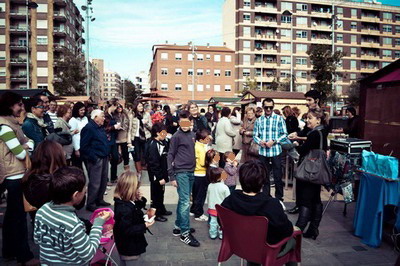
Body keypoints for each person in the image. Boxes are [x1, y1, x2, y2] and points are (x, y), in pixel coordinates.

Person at [221, 160, 298, 266]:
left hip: (240, 245)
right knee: (294, 239)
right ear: (262, 181)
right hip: (266, 250)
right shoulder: (272, 205)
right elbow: (285, 230)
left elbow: (222, 223)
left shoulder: (230, 200)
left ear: (241, 178)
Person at [34, 166, 111, 265]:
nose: (86, 191)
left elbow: (37, 239)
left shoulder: (42, 210)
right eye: (84, 189)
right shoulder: (73, 224)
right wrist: (98, 224)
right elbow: (88, 253)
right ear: (75, 195)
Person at [0, 92, 38, 265]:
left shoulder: (10, 124)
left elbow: (27, 142)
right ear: (9, 106)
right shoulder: (6, 127)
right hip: (14, 175)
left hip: (15, 174)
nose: (22, 108)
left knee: (12, 216)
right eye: (19, 105)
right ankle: (25, 256)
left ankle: (8, 251)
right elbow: (22, 152)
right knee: (19, 218)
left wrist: (26, 144)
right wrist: (27, 145)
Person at [292, 108, 328, 240]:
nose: (307, 120)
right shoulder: (322, 132)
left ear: (318, 120)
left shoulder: (313, 134)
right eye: (307, 118)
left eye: (310, 118)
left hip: (309, 171)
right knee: (316, 199)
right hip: (317, 171)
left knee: (305, 200)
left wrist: (295, 144)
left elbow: (303, 150)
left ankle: (299, 228)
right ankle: (313, 228)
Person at [167, 110, 200, 247]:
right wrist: (171, 176)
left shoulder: (193, 135)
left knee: (183, 200)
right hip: (181, 172)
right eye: (182, 122)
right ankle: (185, 232)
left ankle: (178, 225)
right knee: (186, 201)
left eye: (187, 121)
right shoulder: (176, 136)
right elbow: (170, 155)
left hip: (191, 171)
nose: (185, 124)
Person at [287, 90, 322, 215]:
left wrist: (297, 139)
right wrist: (297, 134)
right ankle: (301, 208)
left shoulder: (322, 116)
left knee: (312, 191)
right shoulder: (311, 115)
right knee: (301, 185)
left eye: (309, 100)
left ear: (316, 100)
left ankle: (306, 219)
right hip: (306, 155)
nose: (306, 103)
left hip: (314, 157)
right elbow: (306, 132)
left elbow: (314, 137)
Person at [114, 171, 155, 265]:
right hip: (130, 248)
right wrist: (144, 225)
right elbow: (127, 230)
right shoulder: (125, 209)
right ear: (130, 189)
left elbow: (135, 207)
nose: (138, 189)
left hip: (127, 245)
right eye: (137, 187)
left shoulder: (123, 201)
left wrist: (140, 199)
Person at [253, 98, 288, 203]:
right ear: (263, 107)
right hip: (263, 152)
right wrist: (260, 142)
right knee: (264, 176)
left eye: (270, 107)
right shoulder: (259, 120)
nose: (268, 109)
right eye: (266, 107)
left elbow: (285, 134)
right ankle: (265, 197)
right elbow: (255, 135)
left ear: (273, 107)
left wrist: (274, 141)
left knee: (278, 176)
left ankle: (279, 199)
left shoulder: (279, 119)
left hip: (276, 151)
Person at [80, 109, 112, 212]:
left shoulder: (99, 127)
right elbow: (84, 146)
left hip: (103, 156)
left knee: (103, 180)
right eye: (102, 116)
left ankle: (99, 199)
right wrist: (93, 157)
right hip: (96, 158)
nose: (104, 118)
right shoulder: (89, 128)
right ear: (95, 117)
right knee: (95, 182)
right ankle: (91, 203)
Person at [23, 140, 67, 211]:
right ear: (58, 156)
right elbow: (78, 204)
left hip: (38, 217)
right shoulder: (61, 181)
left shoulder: (29, 178)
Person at [146, 123, 172, 222]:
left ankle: (161, 209)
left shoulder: (162, 142)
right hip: (156, 176)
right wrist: (160, 177)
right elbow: (153, 163)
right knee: (156, 195)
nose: (166, 134)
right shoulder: (153, 145)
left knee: (161, 193)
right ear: (157, 133)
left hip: (162, 173)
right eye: (164, 132)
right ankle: (155, 215)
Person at [190, 129, 211, 222]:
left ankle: (193, 210)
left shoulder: (196, 145)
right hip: (201, 173)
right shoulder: (201, 148)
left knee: (195, 194)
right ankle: (199, 214)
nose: (208, 140)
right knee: (200, 195)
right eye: (207, 139)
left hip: (195, 173)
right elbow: (203, 162)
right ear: (202, 139)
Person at [128, 101, 152, 181]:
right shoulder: (132, 115)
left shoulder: (147, 114)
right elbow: (130, 129)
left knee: (146, 154)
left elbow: (151, 127)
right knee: (137, 155)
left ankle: (147, 167)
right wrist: (129, 141)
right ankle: (139, 172)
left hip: (145, 137)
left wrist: (146, 124)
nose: (141, 108)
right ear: (136, 107)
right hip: (136, 137)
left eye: (142, 106)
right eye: (139, 106)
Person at [206, 167, 230, 240]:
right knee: (222, 223)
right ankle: (221, 235)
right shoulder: (225, 187)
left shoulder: (210, 185)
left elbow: (208, 196)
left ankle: (212, 234)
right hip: (221, 209)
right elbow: (228, 198)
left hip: (212, 208)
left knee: (213, 222)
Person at [104, 99, 122, 183]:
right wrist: (114, 127)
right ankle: (106, 179)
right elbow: (104, 129)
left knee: (115, 158)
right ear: (112, 106)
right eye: (116, 106)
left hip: (113, 139)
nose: (116, 108)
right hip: (107, 140)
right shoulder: (105, 115)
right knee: (106, 160)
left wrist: (117, 128)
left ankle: (113, 177)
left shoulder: (112, 115)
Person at [69, 102, 88, 169]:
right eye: (81, 110)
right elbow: (73, 136)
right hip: (77, 147)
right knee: (78, 169)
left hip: (85, 146)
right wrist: (76, 149)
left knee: (89, 167)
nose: (83, 111)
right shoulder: (73, 120)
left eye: (84, 110)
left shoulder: (85, 118)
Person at [115, 104, 131, 171]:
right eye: (118, 107)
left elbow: (128, 125)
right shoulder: (114, 115)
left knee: (125, 154)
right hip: (116, 137)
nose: (119, 109)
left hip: (124, 136)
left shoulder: (125, 115)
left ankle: (126, 170)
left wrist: (123, 127)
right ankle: (114, 174)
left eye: (120, 107)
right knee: (115, 156)